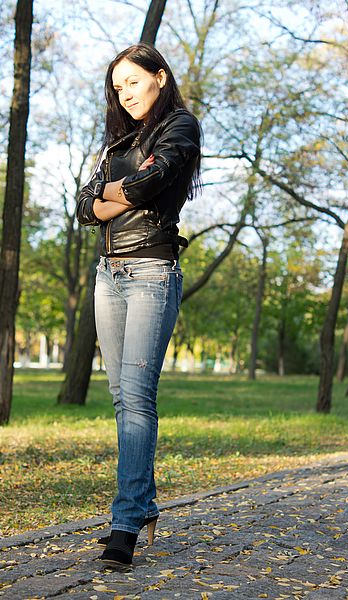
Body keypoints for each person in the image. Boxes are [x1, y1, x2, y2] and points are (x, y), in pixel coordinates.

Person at [75, 42, 202, 566]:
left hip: (153, 271)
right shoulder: (116, 142)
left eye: (132, 80)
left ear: (160, 76)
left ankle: (125, 524)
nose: (124, 93)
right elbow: (84, 205)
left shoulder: (180, 127)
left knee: (136, 395)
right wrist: (113, 194)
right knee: (122, 399)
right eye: (117, 86)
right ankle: (144, 503)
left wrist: (113, 194)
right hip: (109, 275)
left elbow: (154, 181)